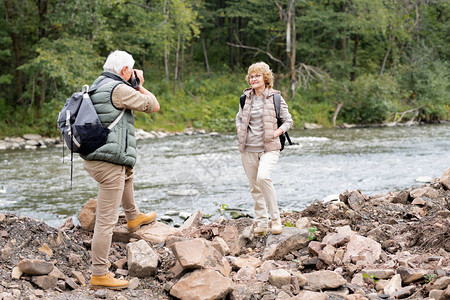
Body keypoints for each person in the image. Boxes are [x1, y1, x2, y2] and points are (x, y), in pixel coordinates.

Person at [81, 50, 160, 289]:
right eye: (132, 71)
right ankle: (99, 274)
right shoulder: (119, 89)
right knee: (105, 222)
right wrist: (140, 85)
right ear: (125, 70)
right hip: (108, 163)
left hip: (96, 158)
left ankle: (133, 216)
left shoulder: (97, 85)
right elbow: (153, 105)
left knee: (128, 173)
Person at [236, 62, 293, 236]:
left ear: (265, 78)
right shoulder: (245, 98)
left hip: (270, 147)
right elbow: (239, 118)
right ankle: (261, 222)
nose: (253, 79)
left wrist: (278, 131)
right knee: (254, 186)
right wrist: (239, 128)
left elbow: (288, 120)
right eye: (251, 76)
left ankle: (275, 219)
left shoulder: (275, 97)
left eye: (257, 76)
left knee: (263, 177)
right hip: (248, 149)